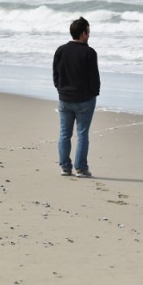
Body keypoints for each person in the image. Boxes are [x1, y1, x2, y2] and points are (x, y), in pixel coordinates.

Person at [53, 16, 100, 177]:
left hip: (65, 98)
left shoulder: (61, 50)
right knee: (82, 134)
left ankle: (65, 167)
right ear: (83, 34)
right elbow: (94, 78)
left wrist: (60, 89)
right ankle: (81, 168)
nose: (89, 34)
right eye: (88, 31)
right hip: (84, 99)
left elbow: (56, 74)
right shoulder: (89, 52)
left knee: (65, 133)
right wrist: (94, 93)